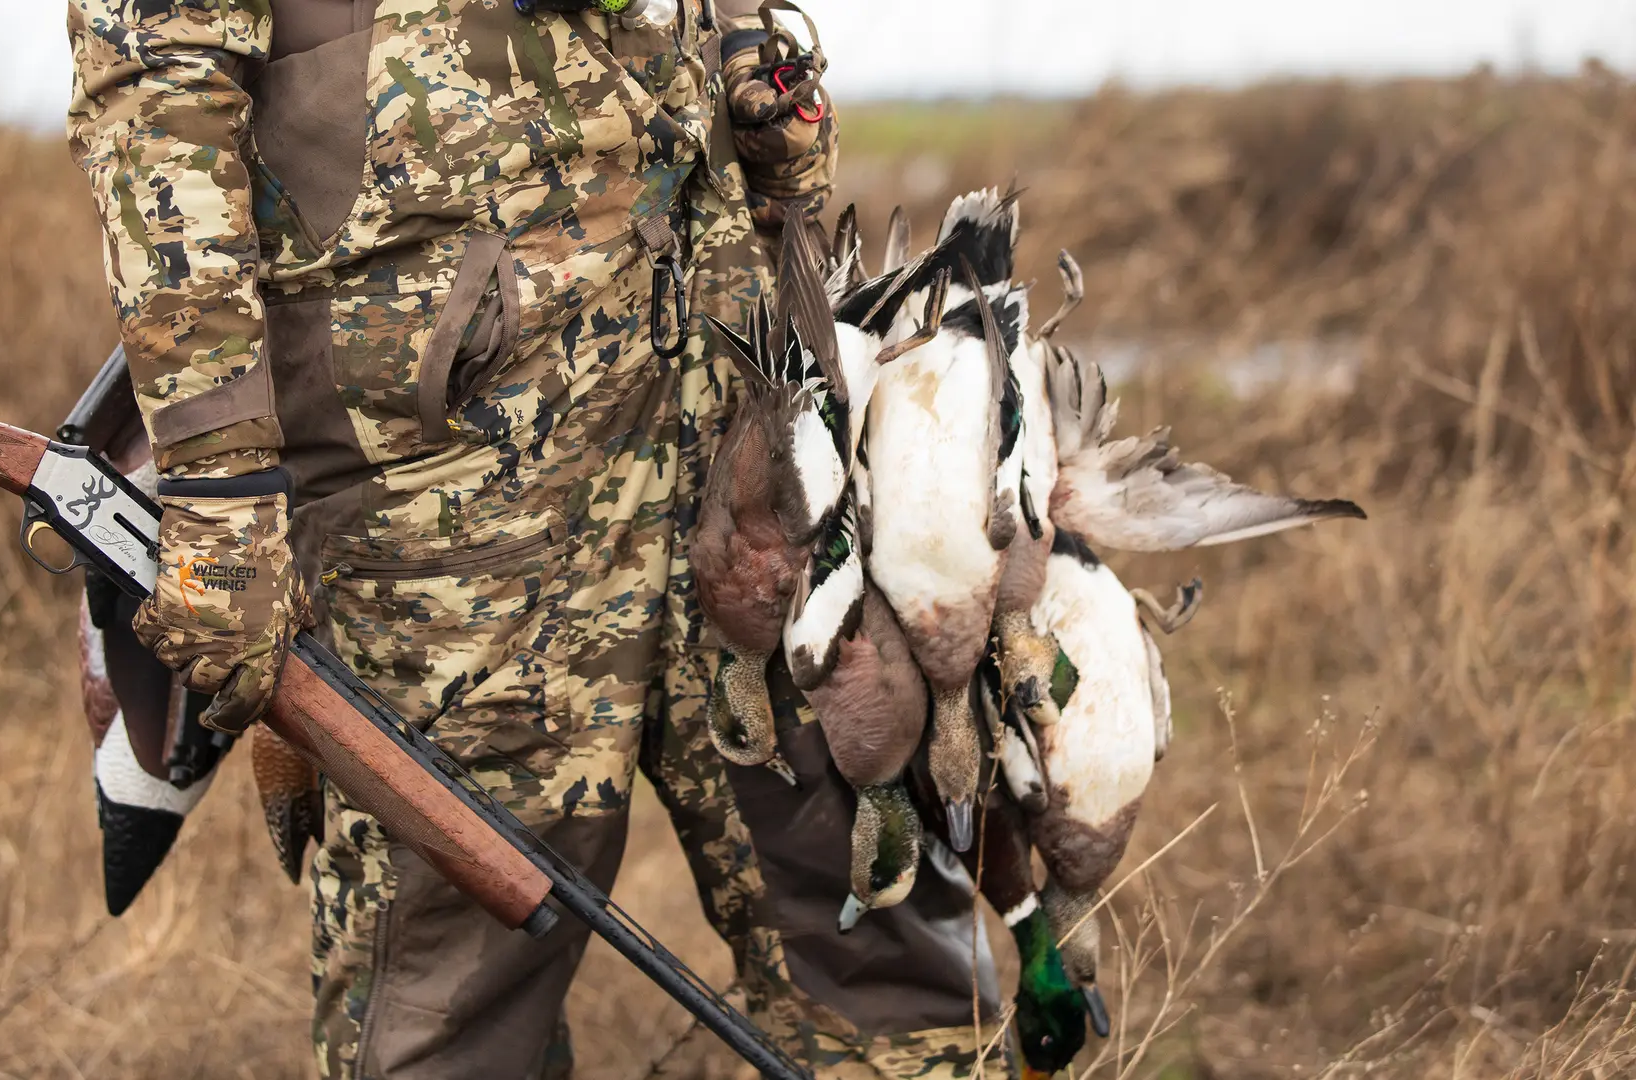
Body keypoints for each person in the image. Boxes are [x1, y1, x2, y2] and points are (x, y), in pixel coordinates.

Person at [66, 1, 1003, 1075]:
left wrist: (748, 43)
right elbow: (161, 98)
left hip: (745, 430)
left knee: (873, 891)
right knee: (454, 988)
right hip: (448, 497)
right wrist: (221, 483)